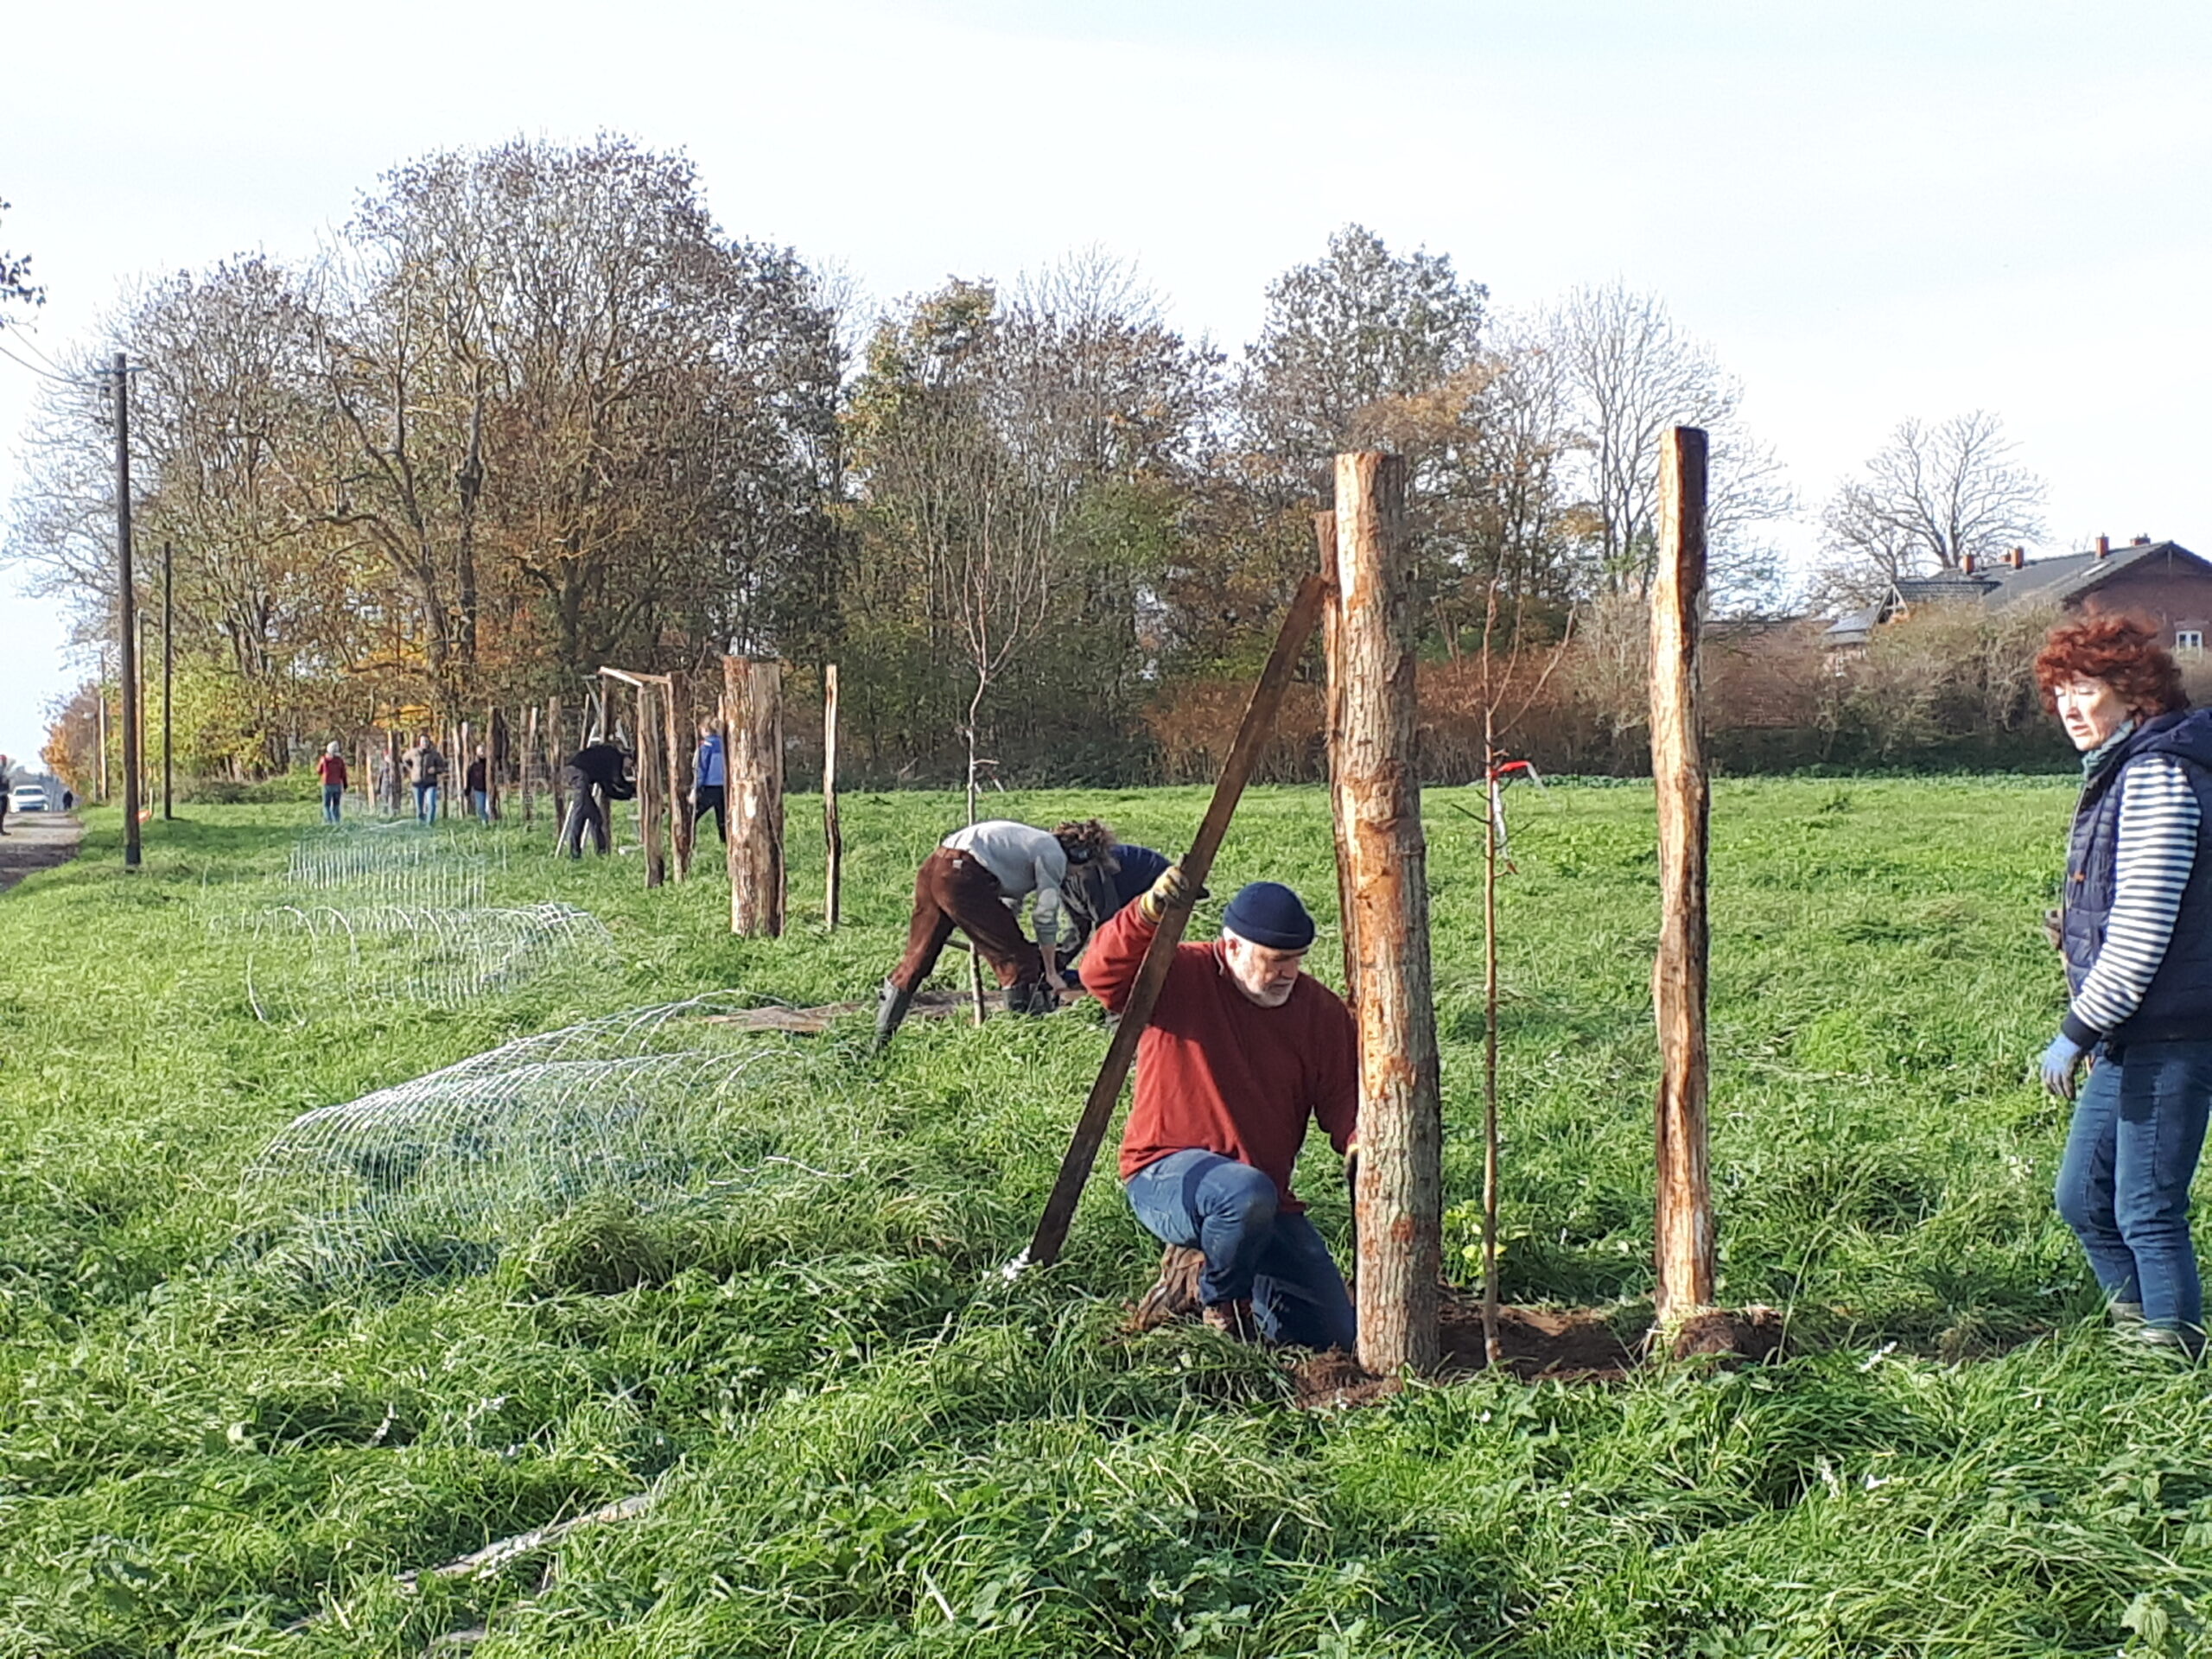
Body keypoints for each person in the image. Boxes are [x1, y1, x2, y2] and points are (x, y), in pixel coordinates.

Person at [1084, 868, 1358, 1350]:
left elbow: (1343, 1095)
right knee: (1241, 1194)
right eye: (1275, 961)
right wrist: (1147, 913)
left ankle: (1240, 1286)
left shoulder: (1319, 1011)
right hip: (1165, 1175)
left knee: (1333, 1335)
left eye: (1296, 960)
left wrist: (1359, 1141)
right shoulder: (1179, 974)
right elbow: (1100, 975)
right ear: (1232, 948)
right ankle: (1221, 1303)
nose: (1288, 974)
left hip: (1263, 1198)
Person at [2037, 614, 2212, 1359]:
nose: (2071, 707)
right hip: (2135, 1027)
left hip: (2174, 1027)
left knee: (2145, 1207)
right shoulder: (2126, 768)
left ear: (2132, 693)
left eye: (2087, 689)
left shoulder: (2155, 772)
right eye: (2061, 691)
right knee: (2083, 1198)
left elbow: (2145, 927)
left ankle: (2173, 1365)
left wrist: (2075, 1031)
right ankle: (2140, 1338)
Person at [874, 818, 1090, 1050]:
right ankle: (1024, 1051)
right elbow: (1045, 916)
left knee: (917, 959)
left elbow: (1007, 905)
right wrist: (1050, 972)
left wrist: (1001, 939)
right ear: (1080, 855)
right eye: (1081, 870)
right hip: (962, 875)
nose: (1076, 877)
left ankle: (878, 1045)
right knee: (1021, 961)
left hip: (936, 866)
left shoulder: (1027, 842)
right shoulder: (1055, 855)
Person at [1053, 819, 1172, 972]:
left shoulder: (1089, 875)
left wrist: (1093, 969)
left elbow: (1109, 923)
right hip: (1123, 894)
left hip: (1160, 885)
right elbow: (1080, 926)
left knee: (1133, 953)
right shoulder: (1061, 878)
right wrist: (1058, 961)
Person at [557, 738, 635, 857]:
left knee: (596, 817)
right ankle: (574, 852)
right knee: (579, 814)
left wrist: (627, 796)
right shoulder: (615, 757)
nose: (629, 767)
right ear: (627, 757)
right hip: (578, 774)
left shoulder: (604, 767)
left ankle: (601, 852)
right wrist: (633, 789)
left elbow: (609, 790)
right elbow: (618, 780)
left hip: (580, 776)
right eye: (631, 763)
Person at [692, 719, 727, 843]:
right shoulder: (724, 744)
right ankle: (725, 843)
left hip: (709, 786)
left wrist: (695, 788)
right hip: (724, 787)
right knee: (722, 818)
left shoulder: (706, 746)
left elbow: (701, 767)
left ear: (706, 730)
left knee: (693, 814)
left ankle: (689, 840)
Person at [404, 734, 445, 823]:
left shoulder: (434, 754)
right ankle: (420, 826)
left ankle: (430, 824)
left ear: (429, 742)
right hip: (417, 783)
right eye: (423, 741)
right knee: (419, 807)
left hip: (431, 783)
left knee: (431, 805)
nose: (425, 743)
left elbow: (443, 767)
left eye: (426, 741)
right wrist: (412, 770)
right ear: (419, 742)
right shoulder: (413, 752)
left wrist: (436, 770)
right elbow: (404, 759)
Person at [316, 741, 349, 824]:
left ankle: (329, 821)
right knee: (336, 804)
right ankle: (337, 821)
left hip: (326, 784)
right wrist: (345, 785)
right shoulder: (340, 761)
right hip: (337, 785)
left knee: (326, 805)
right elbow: (343, 774)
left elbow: (318, 771)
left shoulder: (324, 759)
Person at [465, 747, 491, 824]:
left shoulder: (489, 764)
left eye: (483, 751)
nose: (482, 753)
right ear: (477, 753)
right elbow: (469, 779)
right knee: (480, 809)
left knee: (488, 808)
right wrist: (468, 791)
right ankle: (485, 823)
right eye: (480, 752)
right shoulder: (473, 766)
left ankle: (490, 823)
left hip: (489, 789)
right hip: (479, 790)